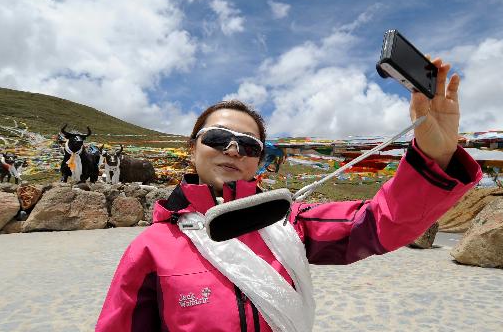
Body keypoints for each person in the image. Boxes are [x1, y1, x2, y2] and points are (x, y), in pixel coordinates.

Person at [97, 58, 482, 331]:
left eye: (249, 146)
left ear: (259, 162)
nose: (233, 150)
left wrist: (436, 153)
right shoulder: (150, 248)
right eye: (218, 138)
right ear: (191, 148)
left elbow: (380, 222)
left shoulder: (290, 224)